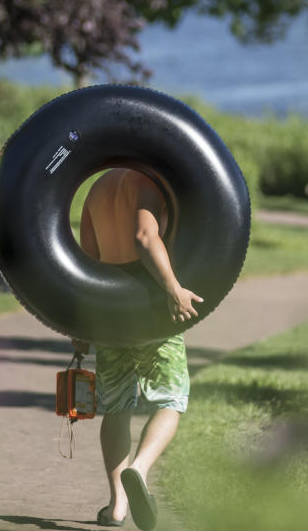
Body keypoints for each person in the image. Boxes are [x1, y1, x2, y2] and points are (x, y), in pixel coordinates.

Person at [74, 168, 202, 531]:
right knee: (172, 399)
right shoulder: (147, 183)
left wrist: (80, 325)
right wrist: (173, 288)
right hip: (149, 311)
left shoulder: (97, 188)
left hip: (109, 313)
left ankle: (117, 507)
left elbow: (87, 259)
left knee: (116, 406)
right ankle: (139, 469)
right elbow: (145, 236)